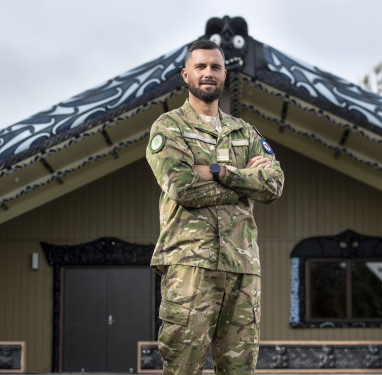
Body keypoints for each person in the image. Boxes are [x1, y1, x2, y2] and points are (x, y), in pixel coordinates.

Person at [146, 39, 284, 375]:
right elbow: (182, 188)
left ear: (224, 75)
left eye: (216, 67)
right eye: (201, 66)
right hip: (190, 265)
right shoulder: (169, 127)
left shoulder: (245, 131)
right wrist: (245, 184)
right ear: (186, 75)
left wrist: (219, 172)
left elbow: (274, 184)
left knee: (240, 369)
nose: (209, 73)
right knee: (183, 367)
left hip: (242, 266)